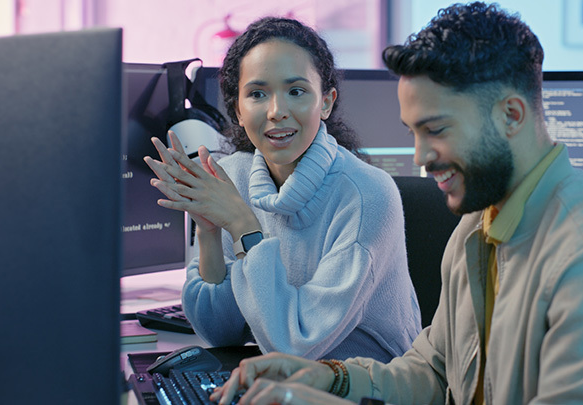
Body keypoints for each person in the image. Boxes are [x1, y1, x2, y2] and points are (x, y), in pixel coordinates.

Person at [210, 3, 583, 404]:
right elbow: (432, 372)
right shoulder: (479, 229)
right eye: (413, 132)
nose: (419, 157)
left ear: (511, 115)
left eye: (435, 130)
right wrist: (325, 379)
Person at [144, 16, 421, 363]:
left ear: (326, 102)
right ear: (237, 111)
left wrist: (244, 227)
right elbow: (220, 333)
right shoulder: (231, 177)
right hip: (284, 381)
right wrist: (209, 232)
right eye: (258, 94)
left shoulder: (368, 196)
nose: (277, 111)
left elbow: (296, 346)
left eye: (296, 91)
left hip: (364, 386)